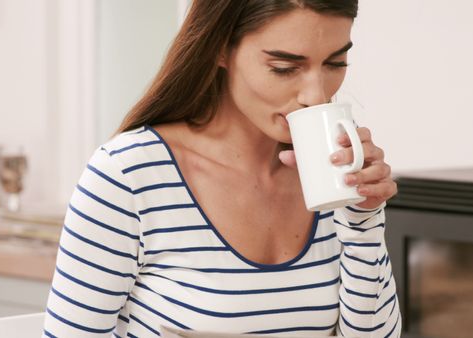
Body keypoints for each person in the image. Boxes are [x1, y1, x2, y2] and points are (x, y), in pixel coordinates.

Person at [43, 1, 401, 337]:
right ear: (219, 48)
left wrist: (362, 219)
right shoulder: (128, 176)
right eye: (284, 68)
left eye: (335, 64)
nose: (316, 95)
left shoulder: (333, 176)